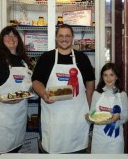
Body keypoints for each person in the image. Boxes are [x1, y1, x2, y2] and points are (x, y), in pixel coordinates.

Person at [32, 24, 95, 153]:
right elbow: (36, 81)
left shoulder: (82, 58)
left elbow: (90, 84)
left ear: (72, 38)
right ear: (56, 38)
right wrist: (43, 94)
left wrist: (89, 107)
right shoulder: (46, 58)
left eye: (67, 36)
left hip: (77, 117)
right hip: (53, 117)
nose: (64, 39)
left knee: (78, 152)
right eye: (61, 35)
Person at [0, 26, 33, 159]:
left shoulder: (23, 60)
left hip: (19, 113)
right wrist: (3, 98)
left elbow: (27, 84)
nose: (11, 39)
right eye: (7, 36)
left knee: (14, 150)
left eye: (14, 36)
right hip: (1, 113)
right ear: (1, 39)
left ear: (18, 40)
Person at [85, 62, 128, 154]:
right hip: (98, 137)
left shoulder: (122, 94)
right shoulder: (96, 93)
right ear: (102, 77)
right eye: (105, 75)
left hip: (115, 139)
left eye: (111, 75)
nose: (108, 78)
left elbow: (126, 115)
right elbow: (92, 112)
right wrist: (89, 116)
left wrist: (118, 117)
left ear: (116, 76)